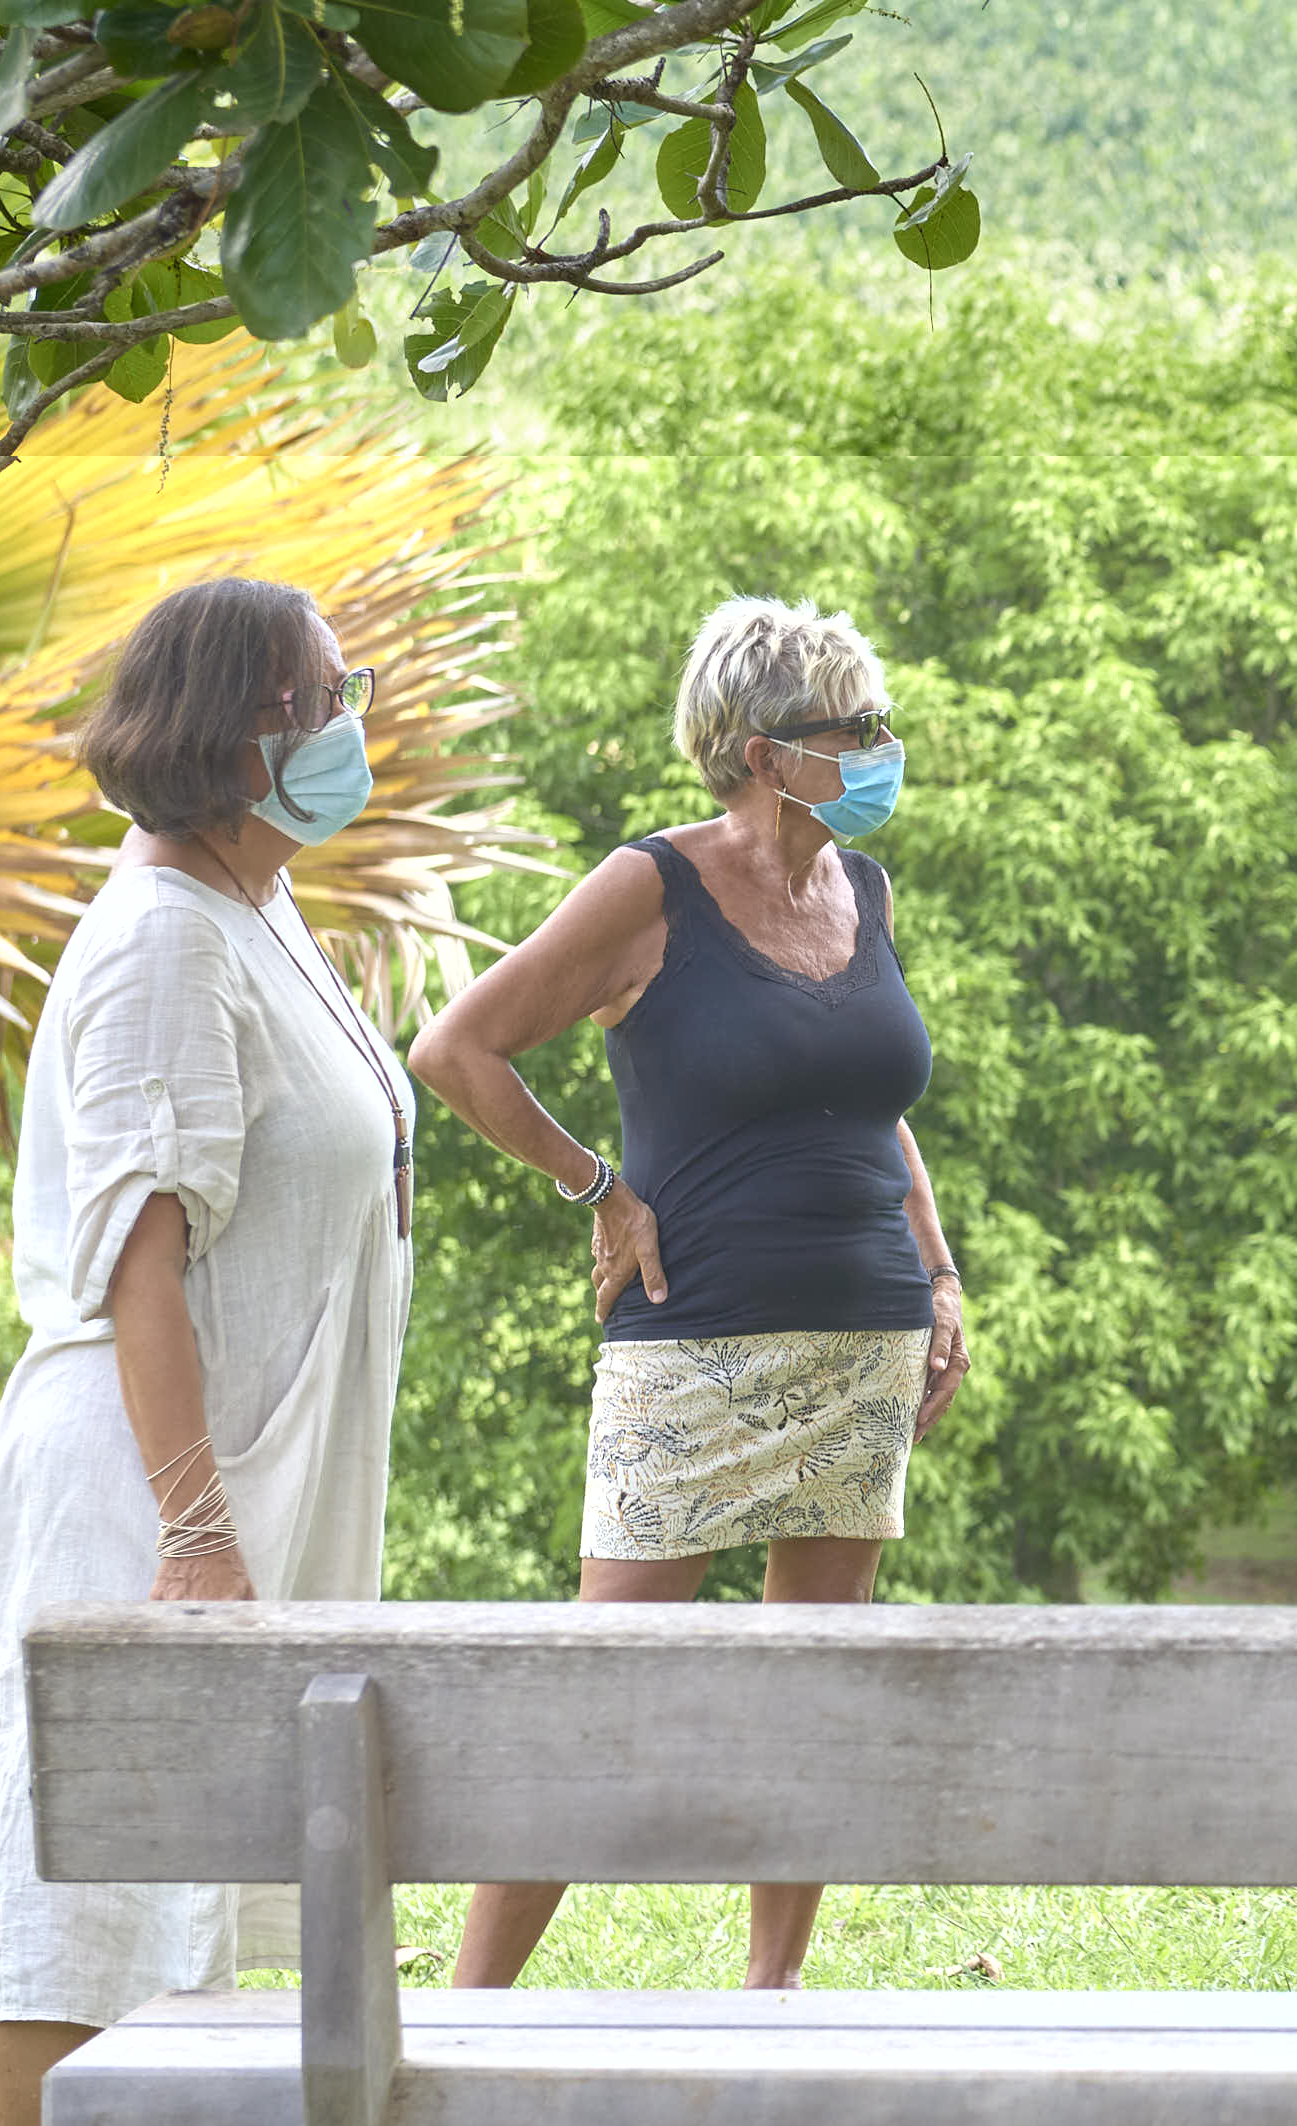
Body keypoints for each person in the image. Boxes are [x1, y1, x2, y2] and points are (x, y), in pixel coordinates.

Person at [409, 594, 969, 1992]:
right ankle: (469, 2013)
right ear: (767, 751)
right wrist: (600, 1188)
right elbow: (458, 1048)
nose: (882, 747)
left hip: (864, 1342)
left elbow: (876, 1104)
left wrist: (940, 1269)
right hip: (693, 1349)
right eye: (856, 727)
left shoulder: (862, 888)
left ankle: (772, 1998)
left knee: (814, 1689)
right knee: (601, 1688)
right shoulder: (648, 888)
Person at [0, 579, 415, 2126]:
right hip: (140, 1496)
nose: (355, 722)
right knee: (84, 1904)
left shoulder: (248, 906)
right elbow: (140, 1254)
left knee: (188, 1904)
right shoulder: (162, 938)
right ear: (246, 728)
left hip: (223, 1475)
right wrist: (199, 1526)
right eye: (332, 695)